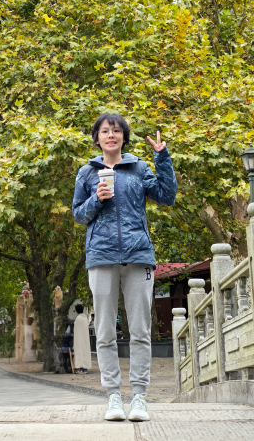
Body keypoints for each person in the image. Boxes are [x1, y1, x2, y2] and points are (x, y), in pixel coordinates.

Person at [72, 113, 177, 422]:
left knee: (141, 330)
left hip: (138, 255)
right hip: (101, 257)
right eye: (105, 131)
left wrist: (162, 157)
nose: (111, 135)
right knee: (104, 331)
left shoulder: (139, 168)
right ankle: (114, 397)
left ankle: (140, 397)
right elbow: (79, 215)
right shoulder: (87, 173)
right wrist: (96, 199)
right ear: (97, 138)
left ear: (123, 138)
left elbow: (167, 196)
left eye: (116, 131)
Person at [73, 304, 91, 374]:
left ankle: (79, 367)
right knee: (85, 352)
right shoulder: (85, 318)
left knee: (79, 352)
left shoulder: (78, 319)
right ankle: (85, 368)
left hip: (79, 339)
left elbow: (76, 330)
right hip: (85, 339)